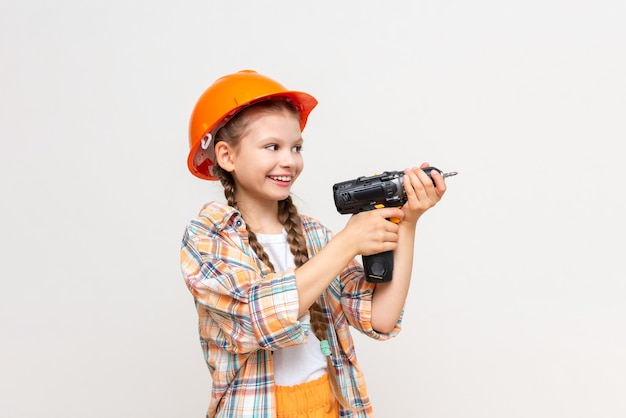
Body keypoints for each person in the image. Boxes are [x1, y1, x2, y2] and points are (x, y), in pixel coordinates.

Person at [180, 69, 448, 418]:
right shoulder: (209, 236)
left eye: (296, 147)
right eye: (272, 147)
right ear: (227, 157)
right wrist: (348, 242)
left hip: (328, 405)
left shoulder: (314, 236)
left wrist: (408, 220)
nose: (289, 160)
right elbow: (254, 318)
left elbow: (381, 317)